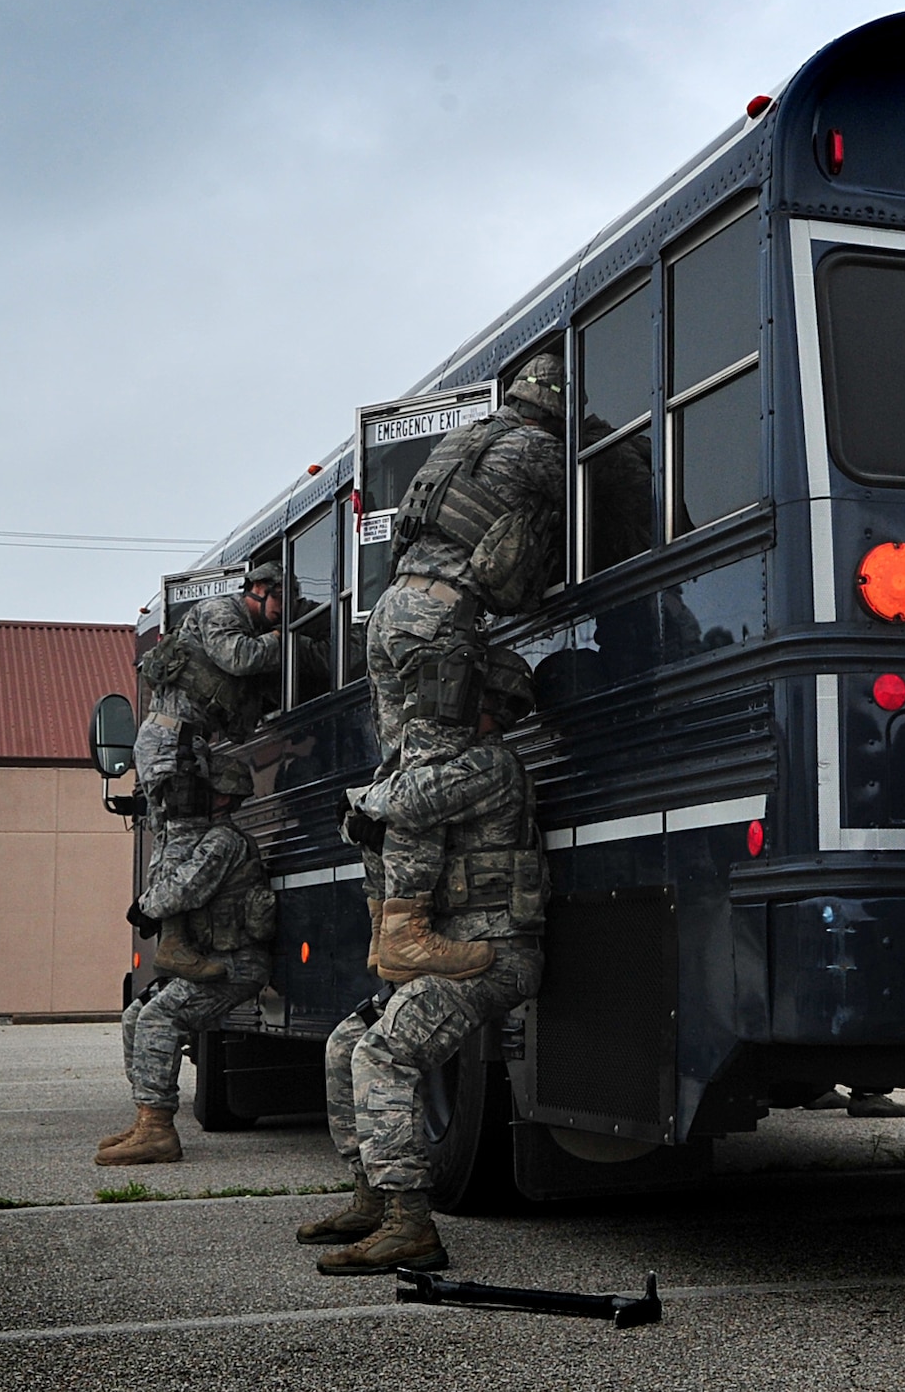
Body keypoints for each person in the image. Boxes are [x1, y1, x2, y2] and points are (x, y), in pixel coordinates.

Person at [297, 650, 545, 1274]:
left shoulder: (491, 765)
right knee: (345, 1043)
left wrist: (364, 803)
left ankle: (411, 1224)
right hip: (450, 956)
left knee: (383, 1054)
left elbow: (406, 801)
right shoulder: (457, 762)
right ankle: (373, 1198)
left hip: (494, 955)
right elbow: (382, 812)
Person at [364, 353, 566, 779]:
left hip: (390, 611)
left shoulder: (458, 439)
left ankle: (374, 833)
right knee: (435, 773)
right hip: (438, 615)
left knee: (397, 770)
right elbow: (594, 488)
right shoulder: (535, 445)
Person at [96, 758, 274, 1166]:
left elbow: (184, 889)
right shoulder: (200, 836)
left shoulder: (223, 841)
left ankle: (158, 1130)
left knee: (160, 1018)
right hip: (209, 961)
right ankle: (148, 1117)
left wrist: (146, 907)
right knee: (135, 1016)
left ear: (224, 796)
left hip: (234, 964)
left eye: (203, 792)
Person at [132, 564, 283, 822]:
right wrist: (280, 638)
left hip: (184, 743)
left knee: (181, 834)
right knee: (184, 832)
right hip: (171, 742)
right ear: (259, 588)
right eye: (280, 596)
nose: (283, 607)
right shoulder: (219, 610)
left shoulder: (246, 627)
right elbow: (238, 657)